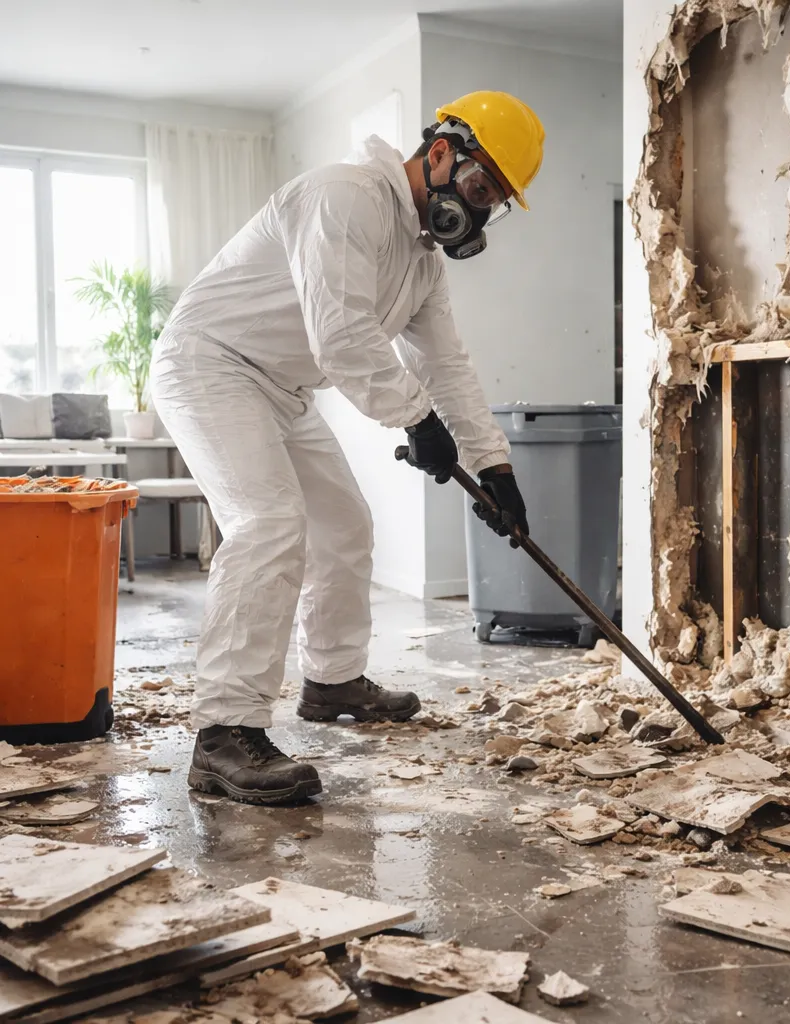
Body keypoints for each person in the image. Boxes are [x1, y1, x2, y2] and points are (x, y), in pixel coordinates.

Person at [150, 91, 544, 805]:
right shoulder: (345, 198)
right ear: (440, 154)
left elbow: (447, 367)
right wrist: (414, 420)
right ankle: (223, 734)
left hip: (282, 387)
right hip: (210, 363)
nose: (479, 212)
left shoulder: (421, 262)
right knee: (267, 523)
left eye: (493, 203)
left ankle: (330, 680)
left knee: (345, 524)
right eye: (481, 189)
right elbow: (341, 335)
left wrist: (495, 466)